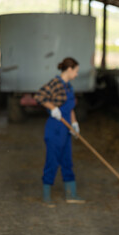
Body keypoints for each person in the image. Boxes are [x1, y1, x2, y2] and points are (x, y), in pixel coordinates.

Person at [34, 57, 85, 206]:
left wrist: (74, 123)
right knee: (53, 161)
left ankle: (71, 194)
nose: (76, 74)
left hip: (66, 128)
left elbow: (70, 108)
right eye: (75, 71)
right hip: (55, 129)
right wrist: (53, 108)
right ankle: (46, 196)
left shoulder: (69, 86)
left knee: (67, 160)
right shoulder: (56, 83)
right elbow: (39, 96)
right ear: (69, 70)